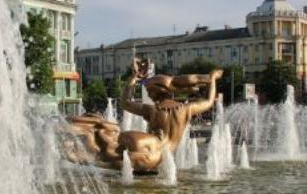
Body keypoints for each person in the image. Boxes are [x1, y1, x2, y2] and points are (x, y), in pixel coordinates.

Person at [63, 59, 223, 172]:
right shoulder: (186, 109)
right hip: (158, 159)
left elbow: (125, 102)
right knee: (105, 155)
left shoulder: (152, 110)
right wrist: (212, 79)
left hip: (148, 147)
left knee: (103, 146)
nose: (149, 95)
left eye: (149, 91)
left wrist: (133, 79)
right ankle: (77, 153)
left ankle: (72, 150)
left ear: (155, 92)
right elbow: (209, 101)